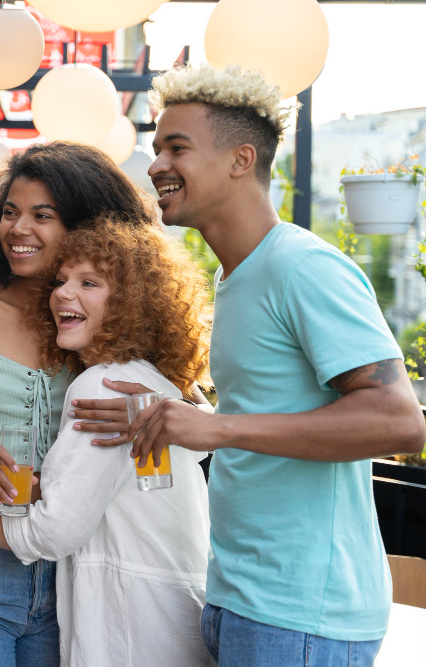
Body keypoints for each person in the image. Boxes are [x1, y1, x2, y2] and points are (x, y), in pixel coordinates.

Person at [121, 65, 426, 666]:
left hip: (302, 615)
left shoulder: (303, 267)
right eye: (156, 148)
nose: (156, 164)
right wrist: (193, 415)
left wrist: (221, 428)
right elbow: (270, 414)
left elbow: (400, 422)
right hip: (245, 599)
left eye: (176, 147)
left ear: (241, 159)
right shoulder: (236, 276)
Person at [0, 141, 159, 666]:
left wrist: (152, 413)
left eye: (41, 215)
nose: (17, 229)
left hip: (78, 566)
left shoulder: (102, 327)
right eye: (9, 212)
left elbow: (186, 414)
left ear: (87, 227)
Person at [0, 219, 213, 666]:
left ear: (132, 303)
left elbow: (51, 531)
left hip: (128, 627)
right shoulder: (153, 385)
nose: (61, 293)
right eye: (60, 281)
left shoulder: (102, 386)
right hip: (175, 617)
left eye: (89, 283)